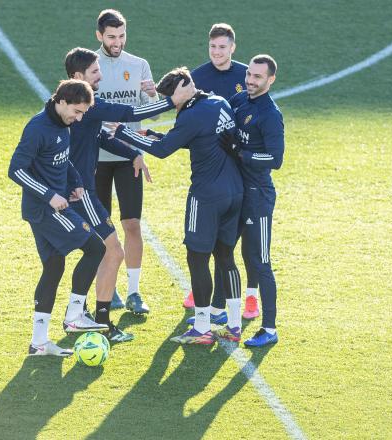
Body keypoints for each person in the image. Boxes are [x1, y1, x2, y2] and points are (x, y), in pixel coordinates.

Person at [64, 47, 194, 340]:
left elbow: (98, 137)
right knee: (111, 251)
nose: (101, 76)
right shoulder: (88, 105)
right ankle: (96, 320)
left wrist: (130, 152)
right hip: (79, 192)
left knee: (92, 252)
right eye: (95, 72)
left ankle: (82, 314)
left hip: (77, 190)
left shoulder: (78, 107)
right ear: (78, 76)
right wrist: (173, 101)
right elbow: (131, 112)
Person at [112, 67, 245, 344]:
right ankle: (234, 325)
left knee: (197, 258)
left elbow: (163, 151)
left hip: (206, 197)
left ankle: (201, 327)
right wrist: (154, 134)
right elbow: (196, 139)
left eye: (172, 100)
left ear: (181, 93)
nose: (173, 106)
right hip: (234, 192)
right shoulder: (218, 102)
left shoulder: (192, 114)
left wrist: (125, 133)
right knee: (226, 258)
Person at [8, 79, 108, 357]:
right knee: (96, 247)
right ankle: (75, 315)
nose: (78, 119)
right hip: (45, 209)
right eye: (76, 112)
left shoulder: (63, 125)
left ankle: (39, 343)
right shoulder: (38, 128)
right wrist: (50, 195)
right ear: (61, 101)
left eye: (83, 114)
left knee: (54, 266)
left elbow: (63, 159)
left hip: (50, 206)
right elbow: (15, 170)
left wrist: (74, 181)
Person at [184, 23, 259, 323]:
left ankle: (250, 296)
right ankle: (204, 293)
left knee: (244, 240)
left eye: (223, 47)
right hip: (211, 170)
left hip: (243, 170)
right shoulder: (197, 77)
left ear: (233, 48)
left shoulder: (247, 75)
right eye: (213, 47)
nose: (217, 52)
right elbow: (185, 116)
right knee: (210, 237)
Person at [94, 9, 158, 312]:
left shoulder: (139, 65)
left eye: (121, 36)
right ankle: (109, 290)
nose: (117, 42)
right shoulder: (89, 66)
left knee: (132, 223)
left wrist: (152, 96)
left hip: (130, 157)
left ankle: (134, 292)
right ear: (99, 36)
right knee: (101, 226)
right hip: (96, 158)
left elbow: (153, 112)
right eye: (111, 37)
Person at [220, 55, 285, 347]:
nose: (251, 80)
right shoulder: (239, 100)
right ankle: (221, 310)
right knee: (223, 250)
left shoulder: (271, 115)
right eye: (249, 74)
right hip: (235, 192)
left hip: (258, 196)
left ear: (270, 80)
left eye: (258, 77)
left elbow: (275, 159)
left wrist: (242, 153)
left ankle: (269, 329)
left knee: (260, 261)